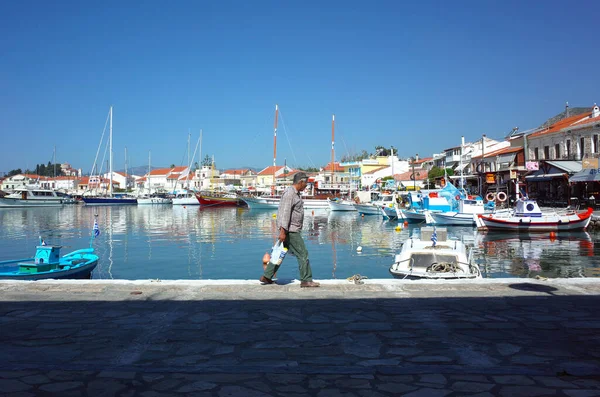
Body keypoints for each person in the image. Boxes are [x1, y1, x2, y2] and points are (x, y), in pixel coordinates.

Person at [260, 172, 320, 287]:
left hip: (289, 230)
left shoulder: (295, 193)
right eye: (305, 183)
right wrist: (283, 232)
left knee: (280, 253)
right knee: (302, 253)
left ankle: (267, 276)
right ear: (300, 182)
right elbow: (285, 213)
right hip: (291, 231)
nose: (306, 186)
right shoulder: (290, 194)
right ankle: (306, 280)